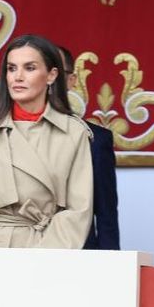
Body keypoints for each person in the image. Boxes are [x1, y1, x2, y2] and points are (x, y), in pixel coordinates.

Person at [0, 34, 93, 248]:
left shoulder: (74, 133)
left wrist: (44, 261)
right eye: (11, 68)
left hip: (52, 252)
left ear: (52, 75)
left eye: (30, 68)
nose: (18, 77)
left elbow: (79, 210)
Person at [57, 45, 120, 250]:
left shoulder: (95, 139)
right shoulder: (4, 133)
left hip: (78, 258)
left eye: (57, 71)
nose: (47, 78)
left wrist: (109, 267)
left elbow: (106, 217)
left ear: (72, 80)